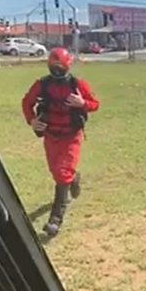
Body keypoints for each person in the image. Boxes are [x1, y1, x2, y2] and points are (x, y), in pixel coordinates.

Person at [22, 47, 100, 237]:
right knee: (58, 172)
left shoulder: (77, 84)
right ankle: (74, 179)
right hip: (51, 135)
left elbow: (95, 104)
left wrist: (82, 104)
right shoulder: (41, 85)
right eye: (53, 65)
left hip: (72, 136)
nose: (57, 70)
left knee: (61, 173)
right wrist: (32, 120)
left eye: (60, 65)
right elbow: (27, 102)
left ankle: (55, 220)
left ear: (67, 65)